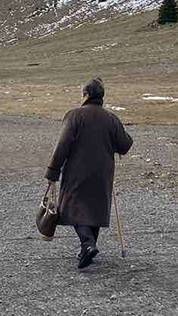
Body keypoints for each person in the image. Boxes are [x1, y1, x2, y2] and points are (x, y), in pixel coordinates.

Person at [45, 78, 133, 269]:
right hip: (103, 172)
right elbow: (125, 145)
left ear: (86, 95)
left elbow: (62, 145)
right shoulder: (111, 118)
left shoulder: (74, 115)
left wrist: (52, 172)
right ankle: (89, 248)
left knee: (72, 206)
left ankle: (87, 245)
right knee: (94, 207)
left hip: (78, 171)